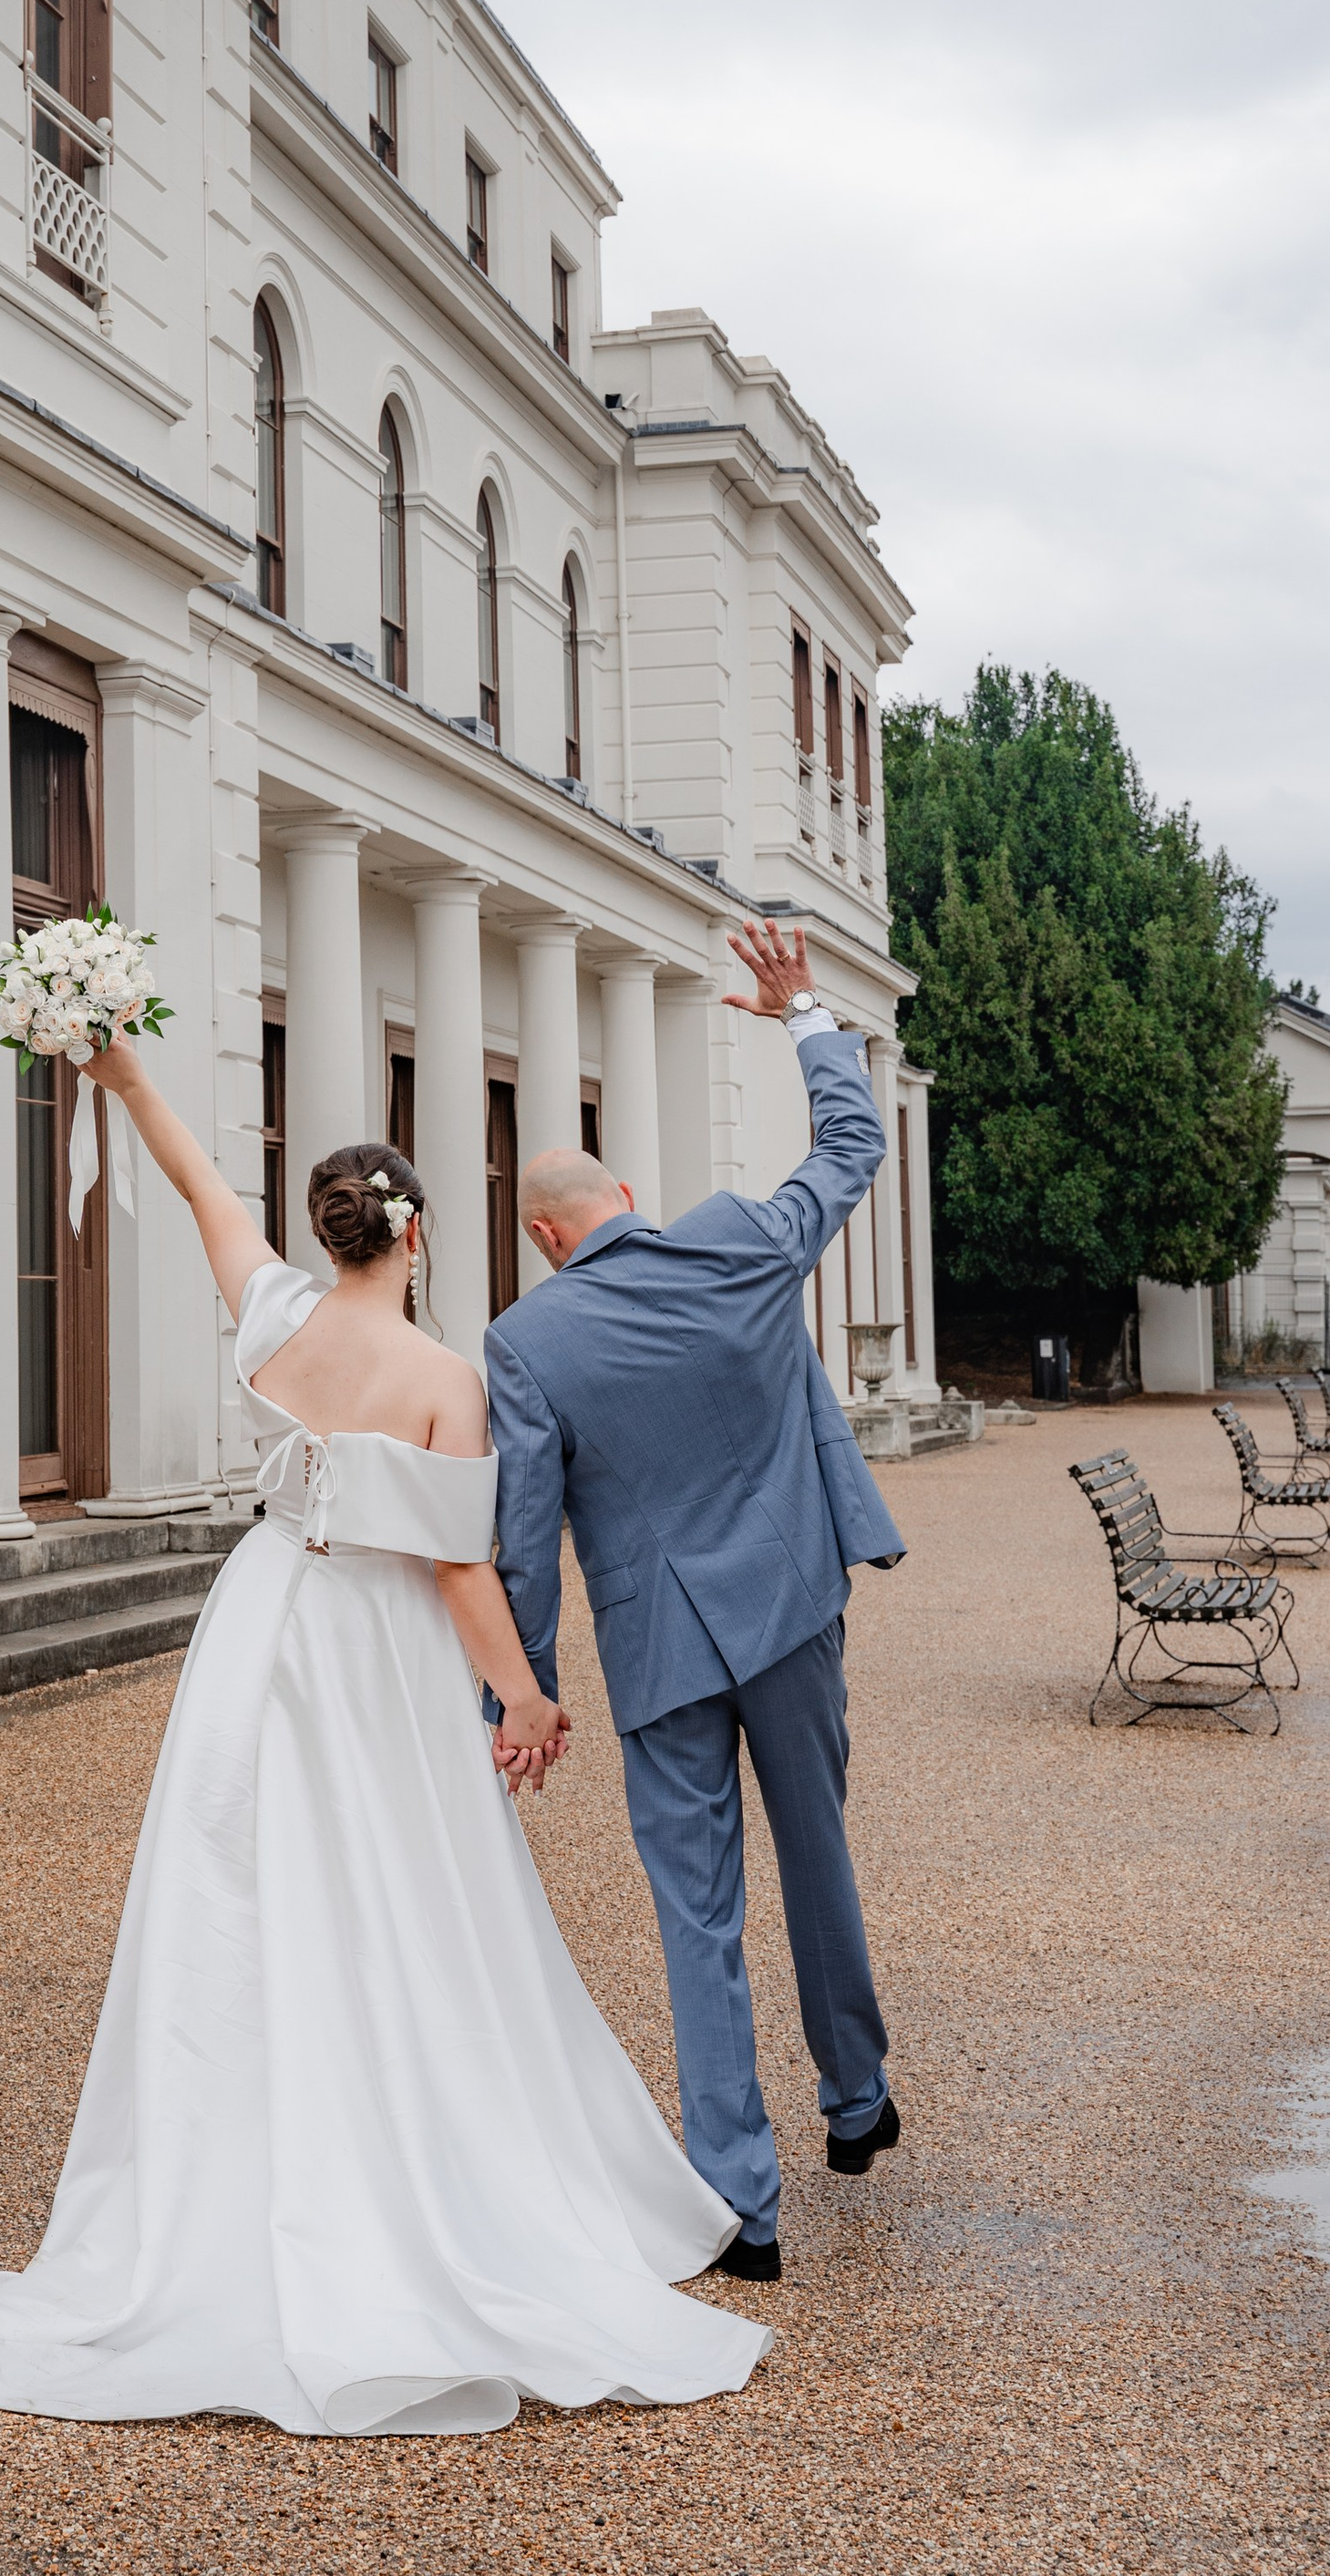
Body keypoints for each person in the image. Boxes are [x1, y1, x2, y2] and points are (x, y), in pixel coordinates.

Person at [0, 1040, 771, 2438]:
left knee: (240, 1885)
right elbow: (455, 1568)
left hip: (264, 1624)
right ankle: (405, 2168)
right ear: (414, 1229)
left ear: (329, 1231)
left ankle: (221, 2169)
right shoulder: (444, 1373)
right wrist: (532, 1702)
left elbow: (201, 1191)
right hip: (376, 1648)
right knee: (407, 1892)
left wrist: (124, 1079)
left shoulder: (273, 1321)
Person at [483, 916, 905, 2283]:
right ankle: (856, 2102)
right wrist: (799, 1018)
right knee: (820, 1855)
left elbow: (525, 1538)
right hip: (790, 1610)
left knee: (697, 1922)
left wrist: (526, 1694)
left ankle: (745, 2205)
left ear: (547, 1235)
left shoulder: (524, 1340)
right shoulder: (734, 1242)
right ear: (620, 1198)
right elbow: (851, 1150)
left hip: (660, 1653)